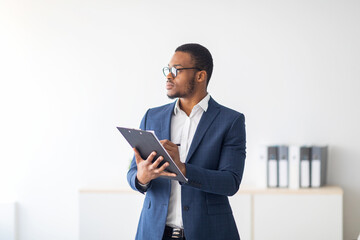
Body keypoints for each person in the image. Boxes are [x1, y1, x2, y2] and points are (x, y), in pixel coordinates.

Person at [127, 43, 246, 240]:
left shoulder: (230, 121)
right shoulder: (152, 117)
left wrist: (184, 169)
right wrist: (141, 177)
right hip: (154, 232)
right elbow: (133, 173)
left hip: (209, 233)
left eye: (177, 70)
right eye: (168, 69)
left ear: (200, 76)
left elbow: (230, 182)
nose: (169, 75)